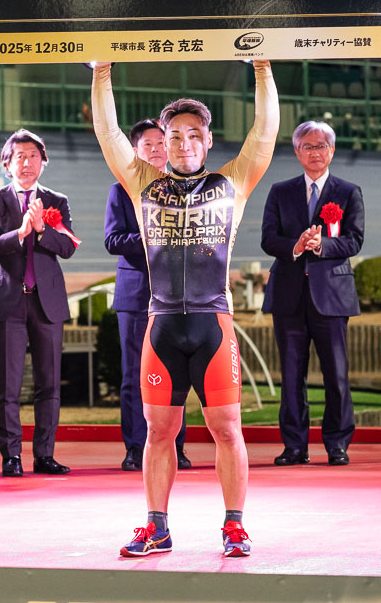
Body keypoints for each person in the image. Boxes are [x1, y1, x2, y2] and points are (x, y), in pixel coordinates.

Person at [92, 60, 279, 559]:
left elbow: (264, 133)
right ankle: (157, 528)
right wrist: (101, 73)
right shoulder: (141, 183)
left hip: (212, 323)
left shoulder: (233, 182)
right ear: (164, 143)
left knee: (227, 429)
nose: (184, 144)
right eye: (174, 136)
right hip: (162, 328)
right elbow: (108, 133)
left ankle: (234, 526)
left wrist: (262, 68)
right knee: (158, 432)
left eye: (194, 135)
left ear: (208, 141)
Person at [260, 120, 364, 468]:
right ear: (297, 151)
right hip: (288, 295)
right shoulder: (280, 191)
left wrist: (322, 245)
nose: (315, 152)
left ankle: (337, 444)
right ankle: (294, 446)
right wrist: (297, 245)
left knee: (336, 375)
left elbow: (354, 240)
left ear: (331, 151)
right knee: (291, 376)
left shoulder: (348, 191)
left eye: (321, 146)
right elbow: (268, 239)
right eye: (308, 146)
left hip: (331, 296)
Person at [0, 129, 76, 478]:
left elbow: (68, 247)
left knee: (49, 383)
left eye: (34, 156)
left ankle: (45, 455)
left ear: (43, 161)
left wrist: (41, 230)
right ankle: (11, 455)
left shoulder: (57, 201)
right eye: (20, 156)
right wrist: (19, 233)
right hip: (8, 301)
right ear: (7, 164)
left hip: (47, 303)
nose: (27, 162)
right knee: (9, 384)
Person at [103, 119, 190, 473]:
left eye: (160, 143)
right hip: (136, 293)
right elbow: (113, 240)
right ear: (135, 151)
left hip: (179, 295)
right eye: (147, 145)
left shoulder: (186, 188)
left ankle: (176, 447)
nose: (155, 150)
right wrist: (153, 236)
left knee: (177, 373)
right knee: (134, 375)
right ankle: (136, 447)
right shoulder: (121, 189)